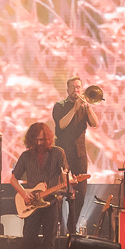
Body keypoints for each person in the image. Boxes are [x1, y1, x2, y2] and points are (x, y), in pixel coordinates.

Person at [12, 121, 71, 249]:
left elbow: (65, 174)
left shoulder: (58, 153)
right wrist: (24, 194)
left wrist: (67, 179)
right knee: (29, 240)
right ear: (31, 139)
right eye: (36, 139)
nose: (39, 143)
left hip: (50, 203)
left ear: (48, 138)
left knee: (49, 241)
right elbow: (13, 179)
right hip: (31, 204)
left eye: (43, 140)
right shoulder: (26, 156)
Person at [52, 78, 98, 233]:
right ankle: (56, 228)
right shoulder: (60, 106)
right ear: (67, 90)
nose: (75, 90)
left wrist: (88, 107)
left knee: (81, 195)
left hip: (79, 154)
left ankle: (72, 230)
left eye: (78, 87)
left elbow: (95, 123)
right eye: (72, 87)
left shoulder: (84, 106)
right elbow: (61, 125)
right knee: (58, 193)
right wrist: (74, 109)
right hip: (62, 155)